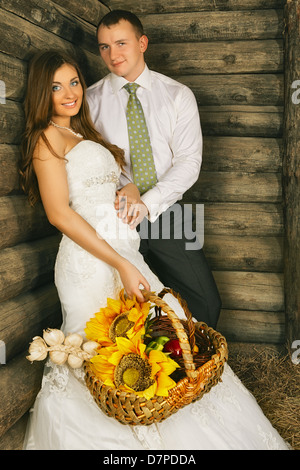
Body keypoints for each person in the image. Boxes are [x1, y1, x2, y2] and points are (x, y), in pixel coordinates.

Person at [20, 50, 289, 450]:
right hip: (90, 263)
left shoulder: (81, 133)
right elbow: (60, 214)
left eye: (74, 82)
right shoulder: (46, 137)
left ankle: (163, 426)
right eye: (56, 87)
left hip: (122, 252)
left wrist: (126, 189)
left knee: (154, 343)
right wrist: (119, 263)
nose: (69, 93)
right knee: (103, 355)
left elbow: (104, 186)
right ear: (43, 93)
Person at [86, 10, 221, 329]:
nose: (113, 54)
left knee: (205, 302)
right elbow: (90, 162)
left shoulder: (177, 96)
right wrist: (124, 192)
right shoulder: (90, 101)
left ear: (142, 42)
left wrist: (147, 202)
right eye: (104, 46)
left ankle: (189, 372)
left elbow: (189, 162)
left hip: (168, 213)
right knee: (124, 309)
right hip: (115, 216)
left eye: (121, 43)